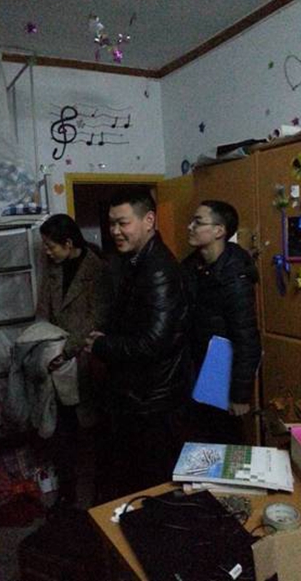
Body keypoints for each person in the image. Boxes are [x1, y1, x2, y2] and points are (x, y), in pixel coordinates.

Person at [85, 188, 189, 498]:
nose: (115, 231)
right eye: (112, 223)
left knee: (153, 485)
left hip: (152, 400)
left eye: (123, 223)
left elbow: (154, 342)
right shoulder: (134, 261)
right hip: (137, 395)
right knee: (134, 481)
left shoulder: (158, 270)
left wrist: (103, 346)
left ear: (149, 220)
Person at [36, 214, 112, 512]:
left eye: (50, 245)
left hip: (86, 359)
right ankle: (66, 492)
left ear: (68, 243)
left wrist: (66, 350)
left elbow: (98, 318)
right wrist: (44, 345)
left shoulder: (97, 270)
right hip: (56, 360)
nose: (47, 251)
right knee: (62, 430)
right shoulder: (53, 270)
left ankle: (100, 493)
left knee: (93, 429)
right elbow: (43, 312)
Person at [181, 200, 262, 445]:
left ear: (219, 230)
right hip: (197, 368)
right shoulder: (191, 267)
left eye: (198, 222)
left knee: (225, 441)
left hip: (221, 372)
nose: (190, 227)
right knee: (200, 441)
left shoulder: (235, 275)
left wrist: (240, 394)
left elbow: (246, 337)